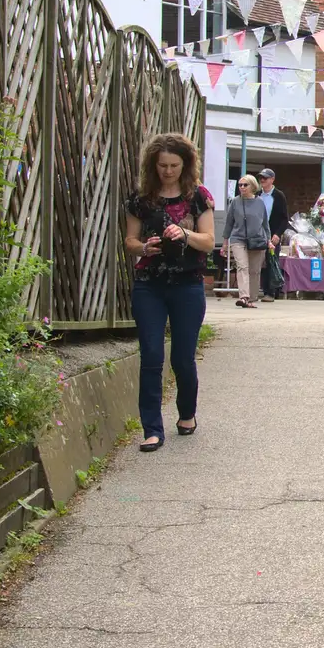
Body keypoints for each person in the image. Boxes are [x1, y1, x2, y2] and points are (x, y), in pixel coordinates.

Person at [124, 133, 215, 452]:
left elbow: (208, 241)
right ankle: (151, 428)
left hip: (188, 285)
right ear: (153, 165)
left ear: (186, 164)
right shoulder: (141, 198)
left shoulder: (198, 197)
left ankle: (186, 413)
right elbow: (130, 242)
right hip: (149, 284)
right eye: (162, 165)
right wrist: (143, 246)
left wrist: (185, 232)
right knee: (150, 355)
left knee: (182, 358)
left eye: (174, 165)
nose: (168, 171)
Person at [222, 174, 269, 308]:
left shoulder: (259, 203)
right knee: (242, 267)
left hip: (257, 240)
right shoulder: (235, 202)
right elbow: (229, 223)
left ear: (253, 186)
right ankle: (244, 297)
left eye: (245, 185)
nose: (242, 187)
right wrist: (225, 242)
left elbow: (265, 224)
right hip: (238, 239)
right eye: (240, 185)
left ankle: (252, 299)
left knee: (254, 270)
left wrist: (268, 240)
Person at [257, 169, 288, 302]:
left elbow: (284, 219)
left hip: (272, 235)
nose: (262, 180)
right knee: (258, 263)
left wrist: (278, 234)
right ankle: (260, 290)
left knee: (271, 262)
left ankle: (270, 292)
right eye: (261, 178)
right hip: (258, 234)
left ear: (272, 179)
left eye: (265, 178)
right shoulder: (257, 195)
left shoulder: (279, 196)